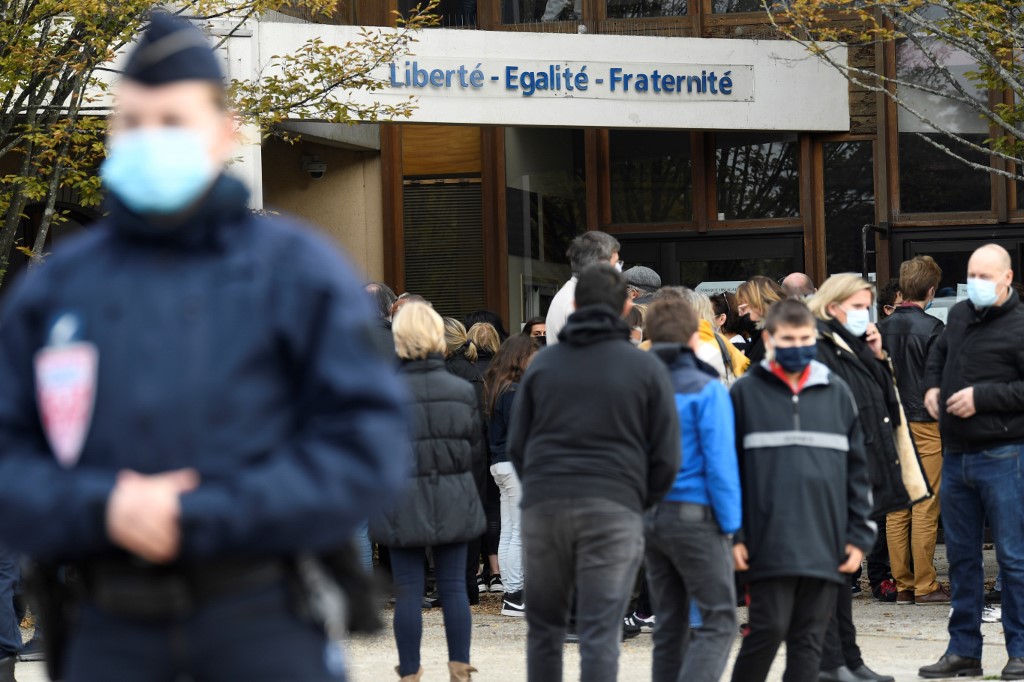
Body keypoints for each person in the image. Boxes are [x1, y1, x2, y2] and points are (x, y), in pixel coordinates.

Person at [0, 12, 409, 682]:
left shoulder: (297, 273)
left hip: (262, 623)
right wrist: (104, 508)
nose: (150, 138)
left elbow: (367, 445)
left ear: (224, 133)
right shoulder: (59, 290)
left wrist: (208, 512)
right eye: (133, 122)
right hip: (108, 633)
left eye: (173, 121)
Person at [509, 264, 680, 682]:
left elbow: (518, 444)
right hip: (615, 503)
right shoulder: (645, 367)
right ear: (626, 304)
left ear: (578, 304)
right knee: (602, 627)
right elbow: (667, 452)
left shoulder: (544, 366)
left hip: (548, 504)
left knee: (546, 630)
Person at [729, 299, 876, 682]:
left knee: (809, 642)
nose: (797, 345)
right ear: (770, 339)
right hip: (766, 540)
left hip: (825, 540)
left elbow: (857, 472)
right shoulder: (744, 394)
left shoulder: (837, 392)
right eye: (788, 338)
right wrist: (735, 535)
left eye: (805, 338)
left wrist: (858, 535)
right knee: (768, 630)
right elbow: (728, 472)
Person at [809, 274, 931, 682]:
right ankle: (830, 663)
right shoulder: (818, 349)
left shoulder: (853, 349)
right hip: (831, 481)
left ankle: (849, 659)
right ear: (832, 307)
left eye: (868, 305)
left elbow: (884, 406)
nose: (867, 313)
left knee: (843, 577)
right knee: (831, 577)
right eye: (858, 305)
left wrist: (878, 357)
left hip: (857, 477)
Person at [920, 244, 1024, 680]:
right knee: (962, 558)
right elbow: (938, 355)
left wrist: (982, 398)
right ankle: (964, 650)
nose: (976, 283)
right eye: (971, 275)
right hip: (957, 454)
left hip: (1003, 454)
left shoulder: (1021, 325)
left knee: (1014, 558)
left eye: (985, 275)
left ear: (1007, 278)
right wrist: (930, 388)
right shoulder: (960, 314)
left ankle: (1020, 652)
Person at [371, 302, 486, 682]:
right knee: (453, 587)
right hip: (453, 493)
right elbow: (472, 449)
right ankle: (459, 670)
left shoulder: (385, 392)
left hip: (402, 497)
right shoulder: (462, 389)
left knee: (408, 590)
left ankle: (409, 673)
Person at [644, 296, 741, 682]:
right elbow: (721, 464)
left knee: (669, 625)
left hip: (649, 516)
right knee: (718, 622)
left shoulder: (637, 387)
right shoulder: (706, 387)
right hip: (695, 514)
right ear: (693, 332)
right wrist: (733, 525)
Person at [878, 257, 948, 607]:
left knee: (897, 506)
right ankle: (925, 585)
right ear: (932, 290)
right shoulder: (936, 329)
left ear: (903, 289)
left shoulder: (880, 328)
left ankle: (902, 583)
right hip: (925, 422)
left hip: (890, 422)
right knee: (925, 504)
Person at [442, 319, 500, 601]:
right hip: (475, 451)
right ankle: (467, 585)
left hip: (457, 452)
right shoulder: (471, 372)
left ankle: (458, 585)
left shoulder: (451, 372)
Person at [484, 335, 540, 619]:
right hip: (516, 465)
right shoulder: (516, 391)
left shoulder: (498, 387)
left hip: (500, 464)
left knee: (509, 531)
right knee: (518, 532)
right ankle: (516, 595)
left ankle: (512, 593)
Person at [545, 231, 621, 346]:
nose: (619, 269)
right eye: (616, 262)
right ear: (600, 265)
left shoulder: (577, 294)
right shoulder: (577, 302)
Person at [736, 276, 785, 365]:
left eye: (743, 309)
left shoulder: (771, 341)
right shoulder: (759, 338)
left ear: (760, 306)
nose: (740, 315)